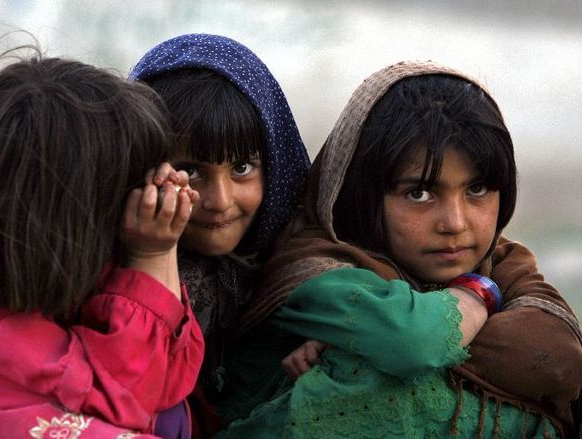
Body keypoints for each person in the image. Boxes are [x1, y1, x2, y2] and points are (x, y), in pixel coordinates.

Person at [216, 61, 582, 438]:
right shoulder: (314, 273)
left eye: (477, 190)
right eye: (419, 193)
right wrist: (477, 296)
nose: (455, 223)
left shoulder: (501, 258)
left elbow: (560, 358)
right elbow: (414, 341)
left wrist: (402, 340)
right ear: (363, 195)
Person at [0, 47, 204, 438]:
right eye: (132, 188)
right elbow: (125, 402)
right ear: (71, 216)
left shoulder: (66, 265)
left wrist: (157, 253)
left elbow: (167, 381)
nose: (147, 200)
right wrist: (151, 253)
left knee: (172, 415)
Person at [129, 33, 311, 437]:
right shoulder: (107, 276)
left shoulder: (304, 263)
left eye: (243, 168)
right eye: (190, 170)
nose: (219, 200)